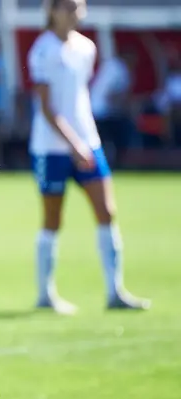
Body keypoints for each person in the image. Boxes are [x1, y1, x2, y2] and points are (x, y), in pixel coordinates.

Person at [28, 0, 150, 313]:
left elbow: (77, 98)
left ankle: (115, 292)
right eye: (67, 6)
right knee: (53, 219)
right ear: (52, 10)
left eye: (77, 6)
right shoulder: (42, 50)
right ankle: (46, 295)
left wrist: (83, 141)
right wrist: (73, 144)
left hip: (87, 142)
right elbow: (46, 107)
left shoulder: (86, 48)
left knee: (107, 211)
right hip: (51, 148)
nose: (74, 12)